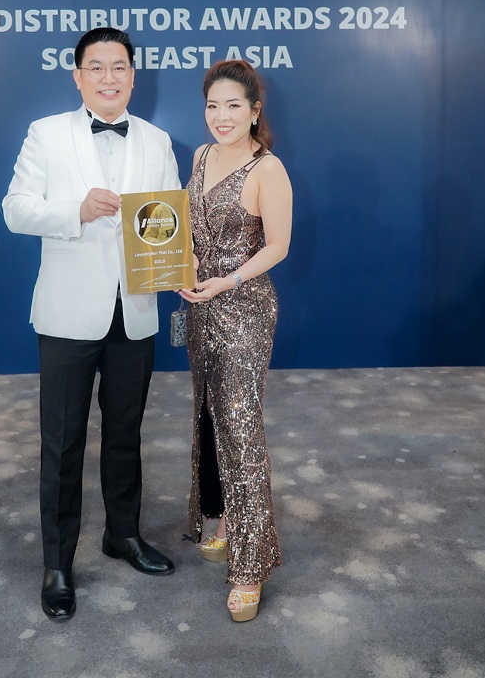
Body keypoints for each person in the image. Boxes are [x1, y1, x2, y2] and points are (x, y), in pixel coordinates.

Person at [2, 27, 180, 622]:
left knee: (126, 433)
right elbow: (15, 210)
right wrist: (74, 212)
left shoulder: (156, 139)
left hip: (136, 309)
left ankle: (122, 534)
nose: (109, 77)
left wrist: (176, 266)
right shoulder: (46, 133)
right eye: (97, 67)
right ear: (77, 76)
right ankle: (57, 563)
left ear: (133, 75)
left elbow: (169, 218)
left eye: (119, 66)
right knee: (63, 441)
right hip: (67, 312)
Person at [178, 60, 292, 623]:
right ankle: (221, 517)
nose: (220, 116)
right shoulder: (201, 157)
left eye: (232, 106)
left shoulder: (268, 168)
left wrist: (228, 280)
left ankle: (251, 566)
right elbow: (188, 226)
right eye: (212, 105)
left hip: (245, 310)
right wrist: (181, 264)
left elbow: (278, 246)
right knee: (208, 414)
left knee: (241, 427)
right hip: (199, 306)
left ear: (254, 111)